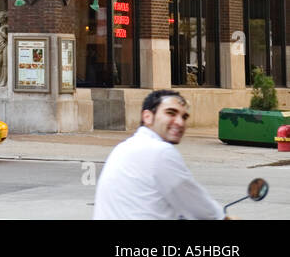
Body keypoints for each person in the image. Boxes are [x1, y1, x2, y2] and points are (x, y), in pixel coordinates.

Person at [93, 90, 225, 220]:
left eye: (184, 117)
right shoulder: (160, 152)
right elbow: (199, 207)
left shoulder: (124, 147)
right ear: (148, 117)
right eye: (170, 113)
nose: (180, 122)